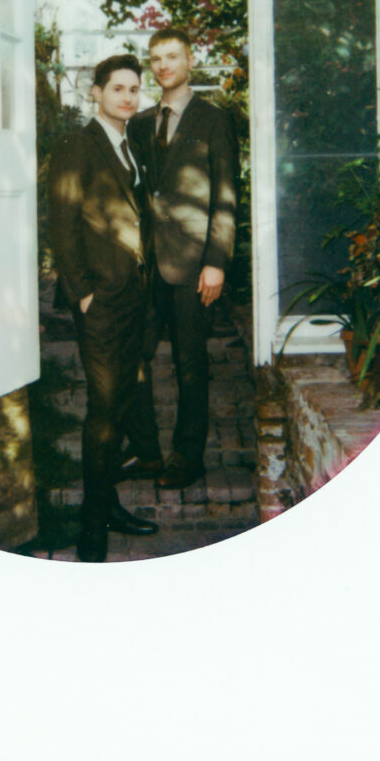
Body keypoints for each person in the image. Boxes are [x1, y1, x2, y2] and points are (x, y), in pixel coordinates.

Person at [48, 53, 161, 563]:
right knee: (103, 409)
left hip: (134, 296)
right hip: (102, 300)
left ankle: (109, 504)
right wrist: (81, 292)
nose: (128, 97)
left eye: (134, 89)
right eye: (118, 88)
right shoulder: (78, 143)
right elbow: (63, 220)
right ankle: (92, 530)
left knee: (118, 405)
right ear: (96, 92)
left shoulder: (130, 143)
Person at [127, 28, 239, 490]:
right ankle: (148, 451)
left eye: (172, 56)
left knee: (190, 364)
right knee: (134, 357)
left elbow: (227, 194)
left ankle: (187, 457)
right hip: (145, 264)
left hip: (194, 265)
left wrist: (217, 261)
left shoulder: (214, 120)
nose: (163, 65)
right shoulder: (140, 122)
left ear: (190, 60)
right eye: (155, 58)